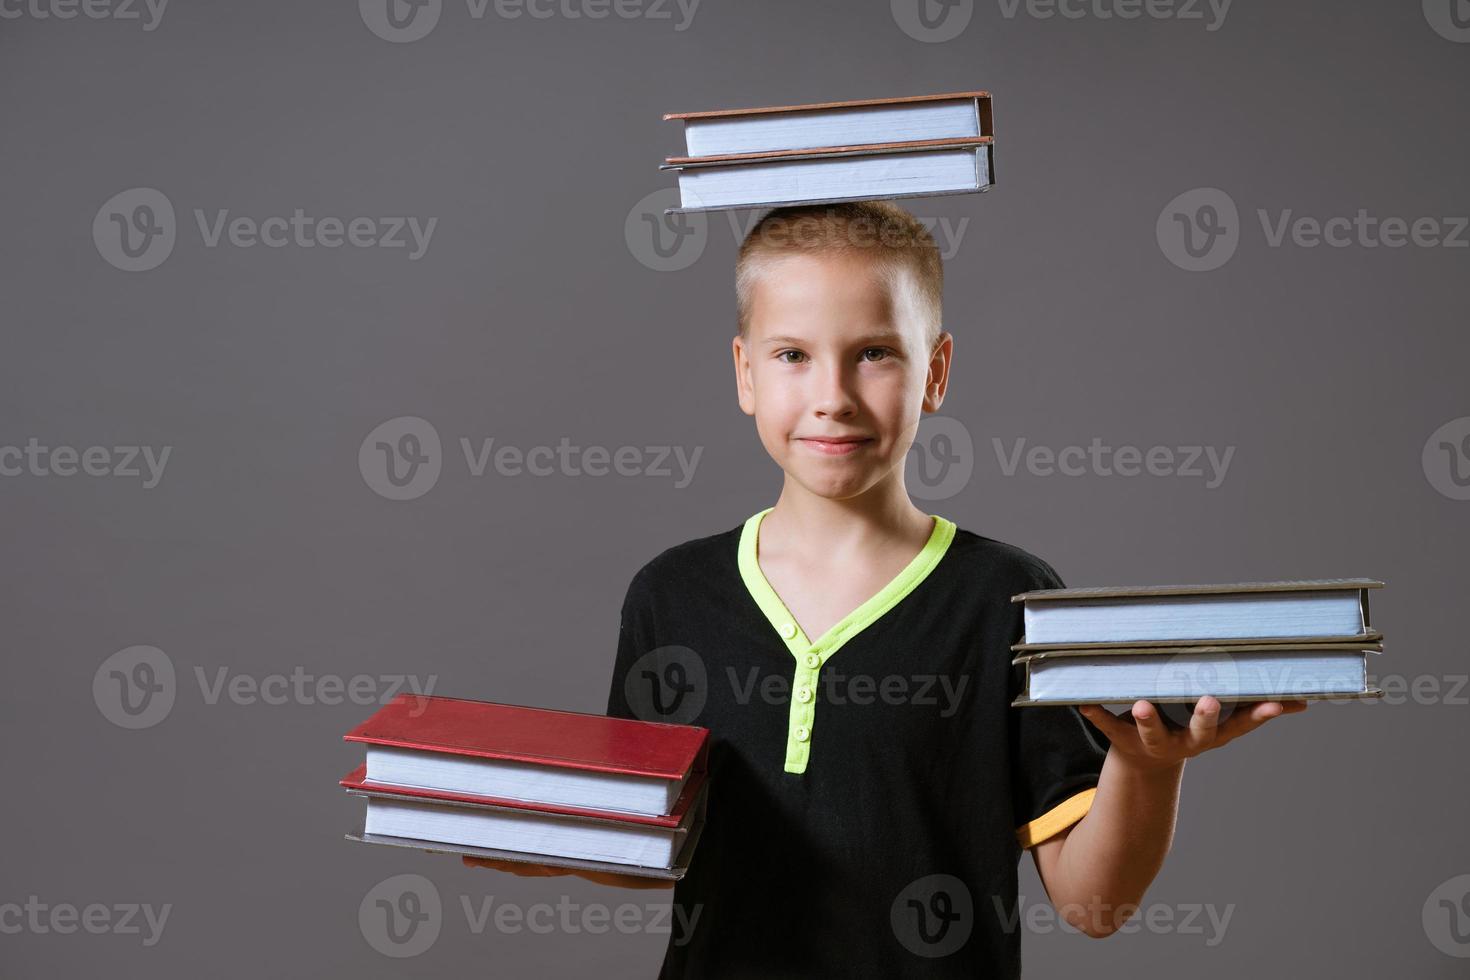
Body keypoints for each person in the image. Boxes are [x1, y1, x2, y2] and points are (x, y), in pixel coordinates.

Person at [465, 200, 1307, 977]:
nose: (831, 398)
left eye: (873, 353)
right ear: (745, 373)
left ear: (936, 371)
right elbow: (668, 855)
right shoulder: (671, 594)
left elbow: (1093, 905)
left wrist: (1147, 765)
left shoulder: (1007, 602)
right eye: (792, 355)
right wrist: (563, 839)